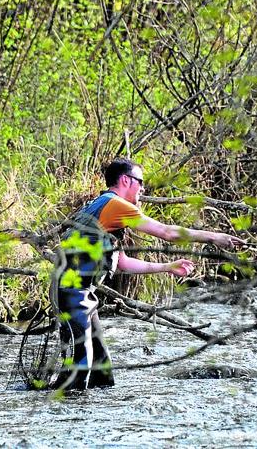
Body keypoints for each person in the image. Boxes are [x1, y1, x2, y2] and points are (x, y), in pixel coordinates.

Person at [52, 158, 244, 390]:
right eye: (140, 182)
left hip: (80, 294)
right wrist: (213, 236)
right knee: (79, 372)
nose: (143, 189)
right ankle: (66, 417)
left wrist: (166, 267)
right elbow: (167, 232)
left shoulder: (105, 210)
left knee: (102, 374)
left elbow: (122, 263)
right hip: (72, 292)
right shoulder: (116, 205)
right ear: (125, 180)